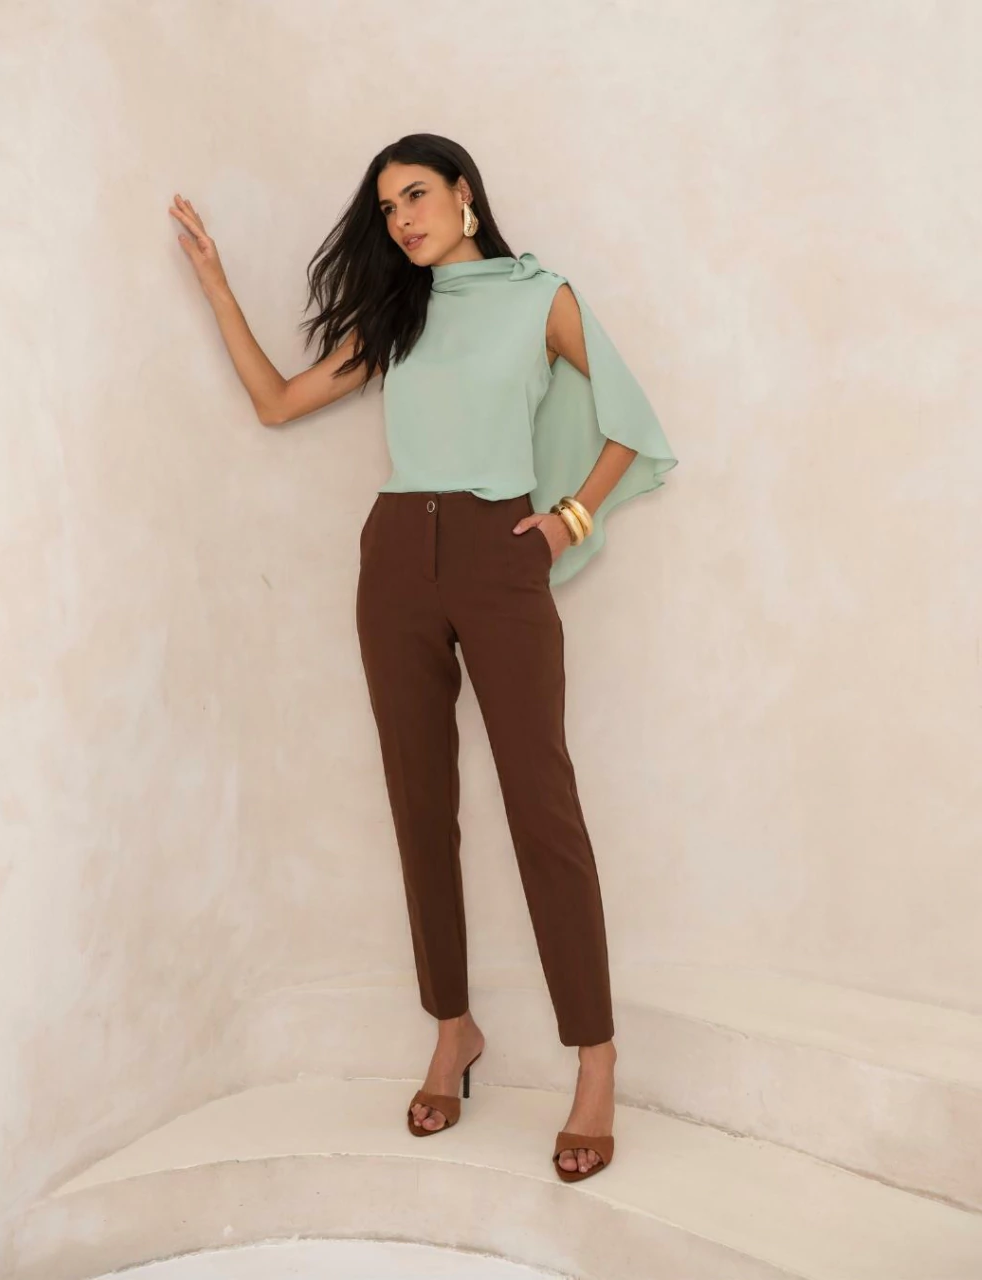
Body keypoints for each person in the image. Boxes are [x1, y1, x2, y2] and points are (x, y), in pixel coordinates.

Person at [169, 132, 677, 1184]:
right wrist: (216, 284)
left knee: (542, 805)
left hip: (500, 552)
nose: (402, 219)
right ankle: (452, 1029)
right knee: (418, 800)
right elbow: (277, 403)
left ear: (464, 193)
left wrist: (569, 519)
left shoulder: (540, 297)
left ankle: (596, 1059)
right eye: (387, 207)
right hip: (396, 555)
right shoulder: (397, 314)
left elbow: (630, 421)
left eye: (415, 195)